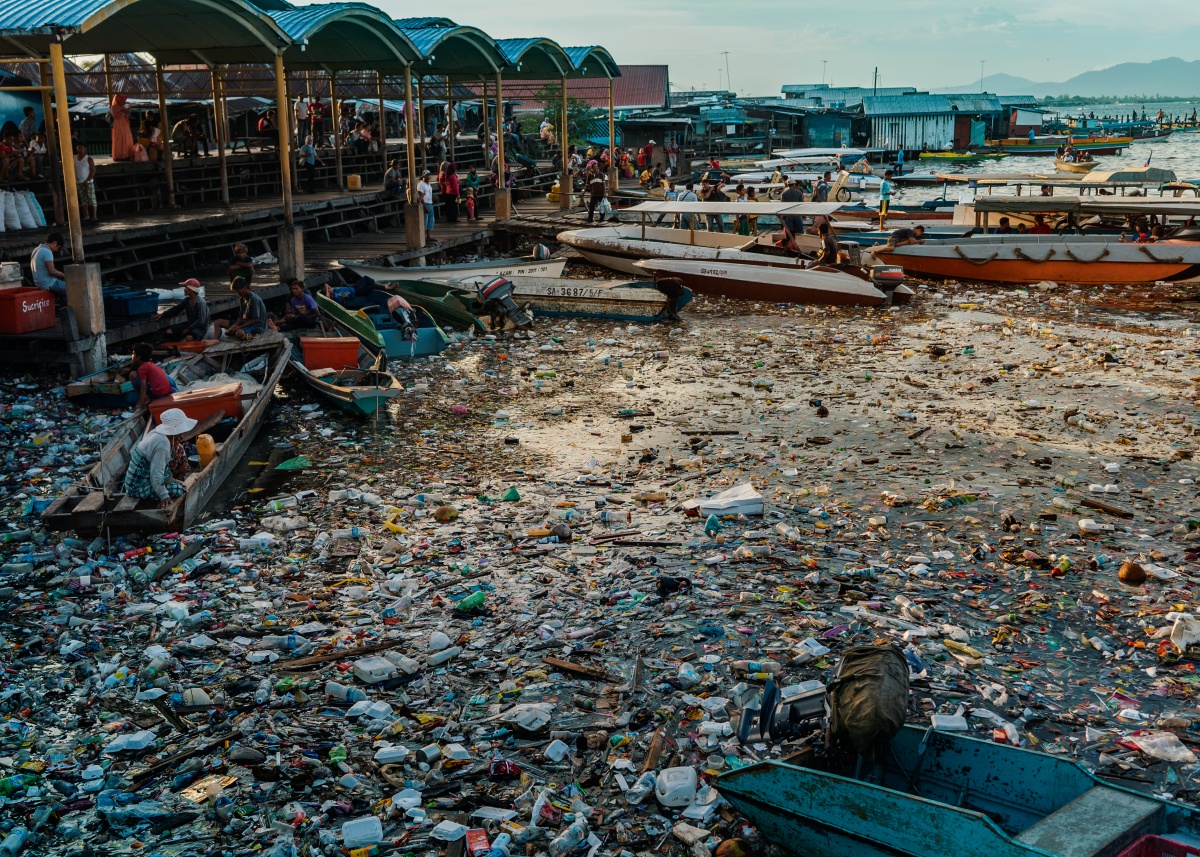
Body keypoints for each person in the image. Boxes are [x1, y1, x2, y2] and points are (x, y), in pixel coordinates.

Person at [123, 407, 195, 508]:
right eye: (181, 432)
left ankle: (171, 481)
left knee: (179, 448)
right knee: (178, 490)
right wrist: (164, 496)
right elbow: (156, 475)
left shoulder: (159, 434)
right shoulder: (162, 444)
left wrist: (173, 480)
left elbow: (160, 469)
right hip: (137, 488)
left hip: (148, 479)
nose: (182, 436)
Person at [127, 342, 177, 407]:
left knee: (132, 375)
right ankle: (145, 398)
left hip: (159, 395)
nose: (132, 356)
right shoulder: (150, 364)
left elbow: (143, 387)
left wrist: (140, 403)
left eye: (134, 354)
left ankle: (143, 399)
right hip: (166, 392)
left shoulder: (142, 368)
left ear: (138, 356)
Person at [31, 232, 66, 300]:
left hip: (39, 284)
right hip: (48, 283)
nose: (56, 250)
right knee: (72, 289)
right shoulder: (47, 251)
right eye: (58, 248)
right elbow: (52, 271)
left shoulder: (36, 250)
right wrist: (61, 273)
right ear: (55, 243)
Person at [74, 144, 98, 222]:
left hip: (88, 182)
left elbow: (93, 170)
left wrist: (88, 180)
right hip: (78, 182)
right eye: (78, 148)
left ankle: (94, 216)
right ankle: (87, 215)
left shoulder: (88, 159)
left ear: (85, 149)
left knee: (91, 198)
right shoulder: (74, 158)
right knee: (82, 199)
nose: (79, 149)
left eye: (81, 148)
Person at [109, 95, 133, 162]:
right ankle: (119, 155)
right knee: (120, 139)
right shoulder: (113, 107)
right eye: (122, 101)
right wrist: (122, 111)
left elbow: (126, 116)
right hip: (118, 124)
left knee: (127, 138)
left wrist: (126, 112)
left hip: (124, 124)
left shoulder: (122, 107)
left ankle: (127, 154)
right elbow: (116, 116)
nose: (123, 103)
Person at [781, 177, 806, 241]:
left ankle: (790, 243)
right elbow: (802, 204)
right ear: (794, 184)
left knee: (789, 232)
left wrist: (782, 217)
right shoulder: (799, 192)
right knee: (799, 231)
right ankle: (800, 243)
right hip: (797, 214)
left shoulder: (784, 194)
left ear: (787, 184)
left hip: (788, 215)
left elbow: (782, 205)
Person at [417, 170, 435, 240]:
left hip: (430, 203)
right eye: (427, 175)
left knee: (430, 222)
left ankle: (428, 236)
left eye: (429, 175)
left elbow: (428, 194)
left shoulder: (429, 185)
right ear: (423, 176)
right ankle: (423, 238)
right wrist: (424, 206)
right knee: (425, 221)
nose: (428, 176)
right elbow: (420, 196)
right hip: (425, 204)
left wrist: (432, 198)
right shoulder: (421, 184)